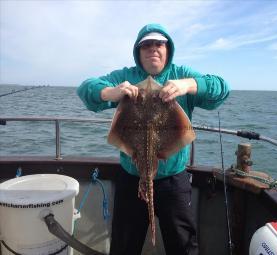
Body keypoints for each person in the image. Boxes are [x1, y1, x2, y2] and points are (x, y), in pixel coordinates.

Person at [77, 23, 230, 255]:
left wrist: (188, 85)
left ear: (168, 49)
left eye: (159, 44)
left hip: (173, 179)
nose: (153, 49)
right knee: (125, 245)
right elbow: (86, 88)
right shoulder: (126, 77)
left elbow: (221, 89)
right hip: (132, 176)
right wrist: (111, 92)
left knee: (183, 245)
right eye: (146, 45)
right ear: (138, 53)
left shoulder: (180, 75)